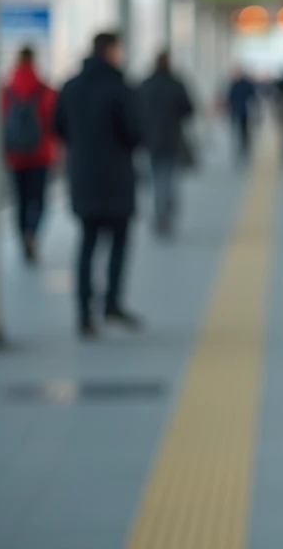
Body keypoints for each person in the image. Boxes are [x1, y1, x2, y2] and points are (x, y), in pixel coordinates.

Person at [54, 32, 144, 338]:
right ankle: (112, 303)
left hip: (82, 176)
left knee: (87, 244)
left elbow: (58, 127)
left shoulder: (70, 87)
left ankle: (83, 314)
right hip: (117, 177)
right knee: (119, 243)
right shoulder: (120, 88)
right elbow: (135, 132)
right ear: (110, 51)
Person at [0, 46, 58, 263]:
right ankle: (32, 233)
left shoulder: (6, 90)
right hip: (40, 155)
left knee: (21, 201)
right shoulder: (44, 89)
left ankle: (22, 238)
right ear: (34, 61)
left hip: (15, 156)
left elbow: (0, 123)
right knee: (39, 200)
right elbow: (54, 122)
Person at [138, 50, 195, 237]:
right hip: (172, 138)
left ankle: (160, 212)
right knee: (169, 178)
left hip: (150, 140)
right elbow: (189, 109)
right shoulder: (176, 84)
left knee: (155, 178)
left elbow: (135, 111)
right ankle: (166, 213)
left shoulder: (145, 85)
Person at [225, 67, 256, 165]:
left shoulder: (236, 84)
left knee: (241, 131)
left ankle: (243, 147)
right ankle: (243, 147)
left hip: (239, 111)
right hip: (241, 111)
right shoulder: (241, 84)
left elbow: (229, 97)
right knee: (242, 131)